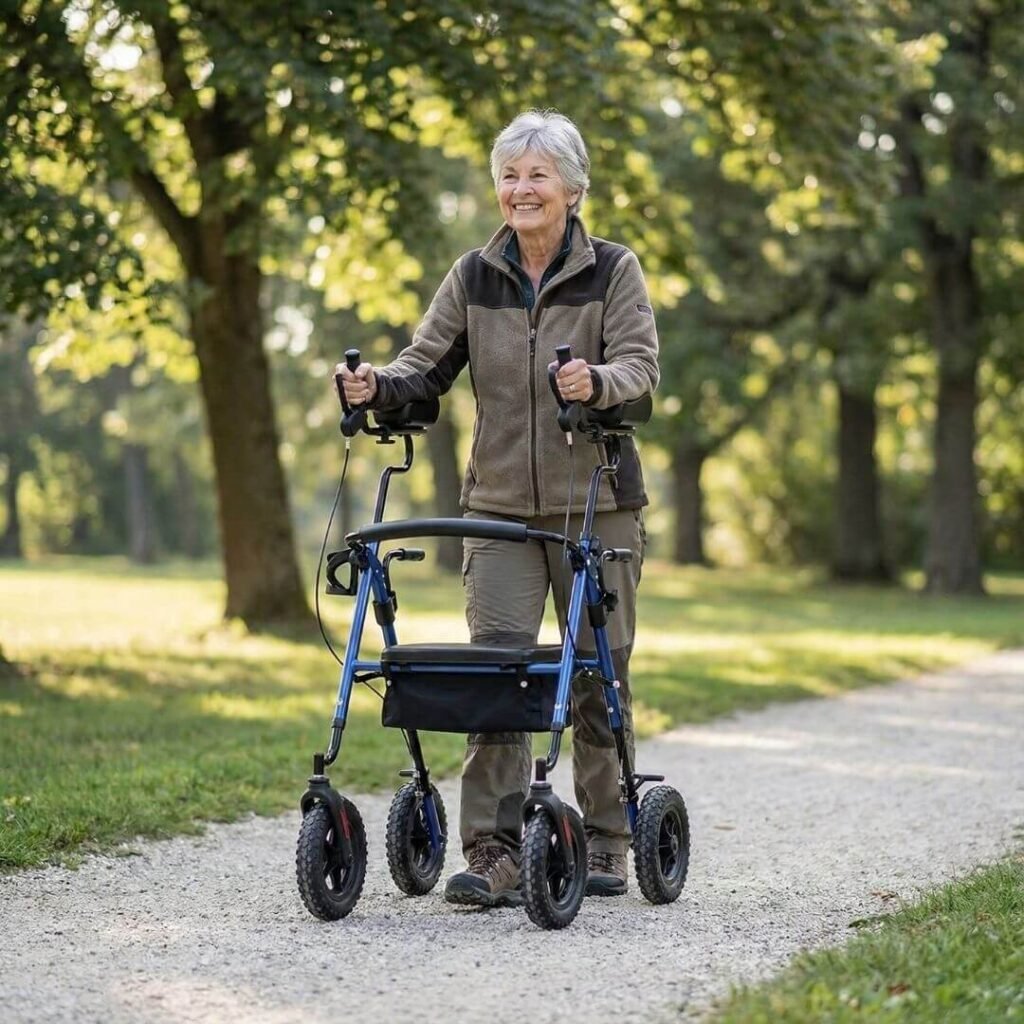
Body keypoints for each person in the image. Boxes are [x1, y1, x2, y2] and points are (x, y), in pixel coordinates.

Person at [336, 109, 659, 907]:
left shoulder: (614, 270)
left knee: (596, 677)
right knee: (502, 676)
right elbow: (426, 366)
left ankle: (611, 843)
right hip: (501, 510)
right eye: (510, 176)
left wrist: (598, 383)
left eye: (537, 175)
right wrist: (378, 386)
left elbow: (642, 371)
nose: (521, 190)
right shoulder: (473, 274)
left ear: (574, 190)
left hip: (597, 501)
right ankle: (495, 849)